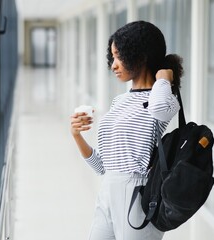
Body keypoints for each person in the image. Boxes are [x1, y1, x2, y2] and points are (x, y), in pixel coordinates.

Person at [70, 21, 183, 240]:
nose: (113, 64)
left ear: (141, 55)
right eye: (112, 57)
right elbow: (103, 166)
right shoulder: (119, 101)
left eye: (119, 56)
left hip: (138, 193)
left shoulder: (165, 99)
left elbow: (159, 108)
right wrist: (76, 135)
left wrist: (163, 77)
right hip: (107, 191)